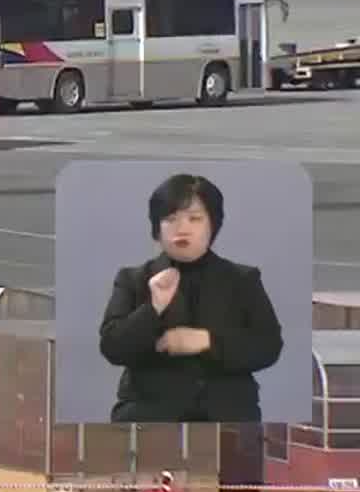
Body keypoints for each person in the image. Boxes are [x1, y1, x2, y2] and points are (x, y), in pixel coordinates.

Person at [97, 173, 283, 423]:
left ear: (213, 225)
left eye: (195, 219)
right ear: (157, 229)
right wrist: (153, 308)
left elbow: (268, 346)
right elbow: (113, 348)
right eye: (170, 219)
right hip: (148, 418)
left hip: (229, 418)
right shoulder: (134, 279)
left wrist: (206, 341)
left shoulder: (242, 279)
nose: (182, 228)